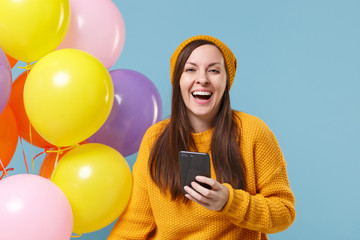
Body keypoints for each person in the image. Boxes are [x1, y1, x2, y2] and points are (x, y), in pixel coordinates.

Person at [108, 35, 296, 240]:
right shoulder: (156, 138)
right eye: (190, 69)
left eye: (214, 70)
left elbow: (284, 213)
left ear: (226, 81)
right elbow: (134, 222)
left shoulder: (253, 132)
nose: (203, 79)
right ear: (178, 79)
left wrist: (230, 202)